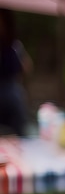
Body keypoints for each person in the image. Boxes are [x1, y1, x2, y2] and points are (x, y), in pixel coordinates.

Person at [0, 8, 32, 136]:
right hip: (10, 93)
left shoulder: (14, 45)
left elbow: (27, 66)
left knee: (19, 131)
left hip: (12, 93)